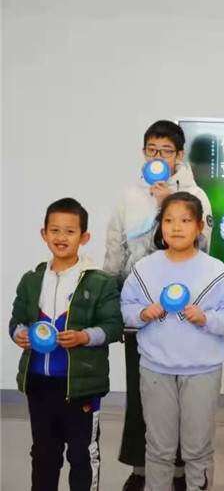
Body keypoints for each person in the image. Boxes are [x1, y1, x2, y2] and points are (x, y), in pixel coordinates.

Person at [120, 192, 224, 490]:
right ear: (160, 225)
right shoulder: (144, 268)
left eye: (185, 221)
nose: (176, 227)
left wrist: (206, 318)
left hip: (202, 371)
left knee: (197, 450)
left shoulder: (215, 270)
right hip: (155, 369)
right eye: (169, 220)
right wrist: (143, 313)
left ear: (199, 226)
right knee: (158, 448)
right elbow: (126, 309)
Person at [10, 197, 123, 490]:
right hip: (39, 384)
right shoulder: (32, 279)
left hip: (81, 387)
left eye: (70, 231)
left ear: (84, 237)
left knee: (82, 455)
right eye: (55, 230)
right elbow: (17, 321)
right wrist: (19, 333)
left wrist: (85, 336)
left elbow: (113, 327)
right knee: (43, 455)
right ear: (44, 233)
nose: (61, 237)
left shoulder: (100, 282)